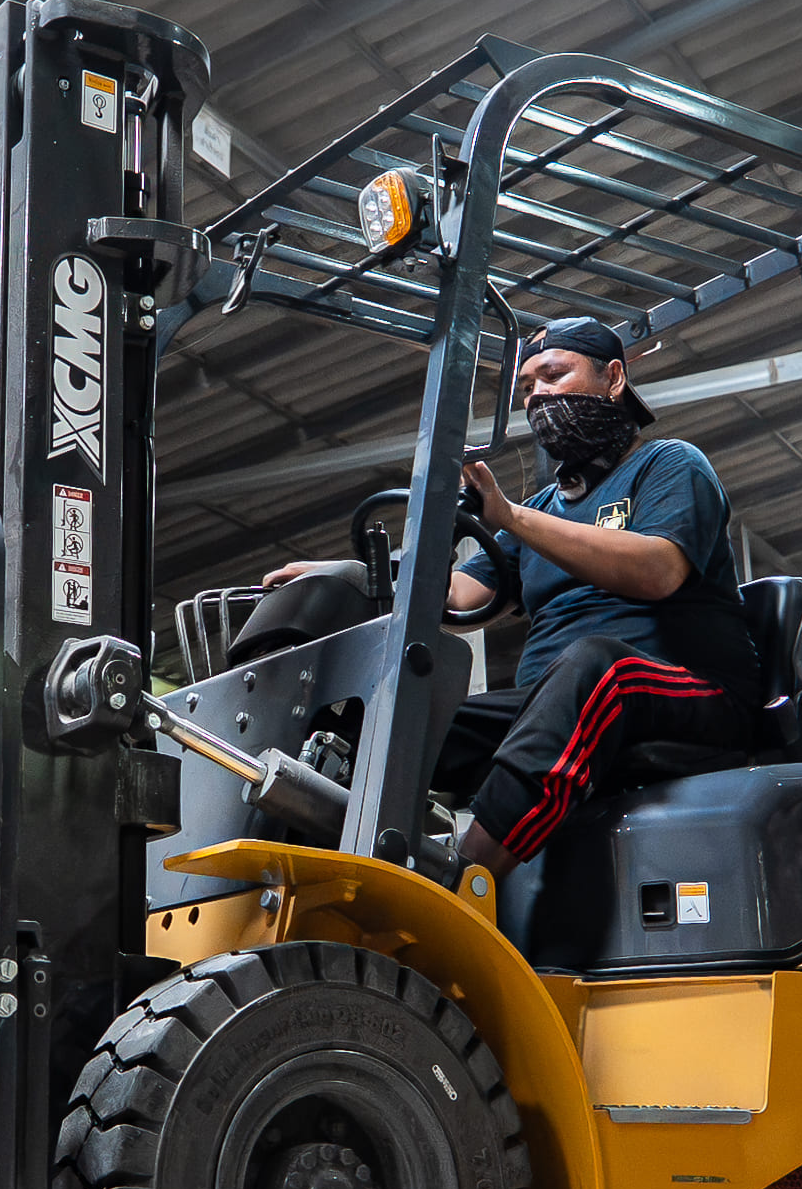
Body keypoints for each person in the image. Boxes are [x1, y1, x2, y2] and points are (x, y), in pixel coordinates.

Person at [261, 316, 755, 874]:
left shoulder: (669, 465)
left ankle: (460, 886)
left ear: (614, 379)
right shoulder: (544, 509)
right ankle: (311, 880)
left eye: (554, 375)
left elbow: (657, 570)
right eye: (527, 386)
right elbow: (460, 597)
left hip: (685, 691)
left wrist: (512, 517)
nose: (538, 395)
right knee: (388, 722)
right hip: (555, 706)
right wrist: (350, 576)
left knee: (596, 666)